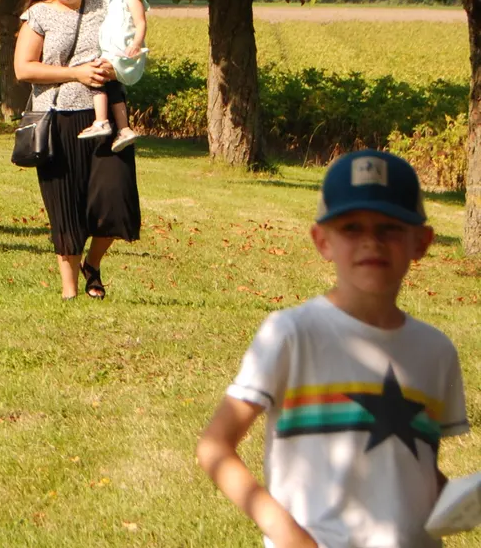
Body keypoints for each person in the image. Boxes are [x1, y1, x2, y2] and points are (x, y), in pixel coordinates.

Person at [197, 149, 469, 548]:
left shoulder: (436, 351)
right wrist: (290, 537)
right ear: (322, 241)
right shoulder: (292, 334)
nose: (371, 241)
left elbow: (412, 465)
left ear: (422, 242)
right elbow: (214, 446)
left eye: (390, 228)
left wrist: (460, 500)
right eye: (351, 227)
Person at [14, 0, 140, 300]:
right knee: (66, 206)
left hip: (106, 118)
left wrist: (118, 66)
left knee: (116, 198)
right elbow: (23, 68)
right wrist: (76, 74)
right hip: (58, 120)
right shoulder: (38, 14)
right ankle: (70, 292)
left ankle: (92, 264)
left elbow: (132, 29)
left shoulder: (106, 3)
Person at [77, 0, 149, 152]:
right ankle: (124, 129)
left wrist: (136, 43)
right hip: (112, 52)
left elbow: (141, 23)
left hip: (123, 53)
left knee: (95, 75)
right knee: (112, 87)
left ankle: (101, 121)